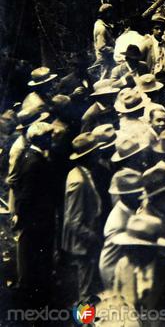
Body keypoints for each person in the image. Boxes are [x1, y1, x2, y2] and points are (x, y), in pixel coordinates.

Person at [10, 121, 58, 306]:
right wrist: (21, 216)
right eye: (49, 136)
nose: (51, 139)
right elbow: (26, 195)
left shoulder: (31, 156)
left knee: (34, 257)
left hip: (36, 218)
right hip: (37, 220)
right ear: (41, 138)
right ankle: (35, 298)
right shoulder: (34, 162)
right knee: (35, 257)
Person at [63, 132, 103, 303]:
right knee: (84, 289)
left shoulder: (80, 173)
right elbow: (73, 220)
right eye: (96, 151)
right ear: (89, 155)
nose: (98, 155)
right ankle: (83, 320)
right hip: (82, 242)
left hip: (84, 239)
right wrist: (92, 237)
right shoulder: (79, 181)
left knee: (86, 282)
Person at [99, 168, 144, 288]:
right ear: (125, 196)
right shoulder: (119, 221)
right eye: (137, 193)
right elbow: (109, 262)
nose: (141, 196)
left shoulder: (127, 210)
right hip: (114, 273)